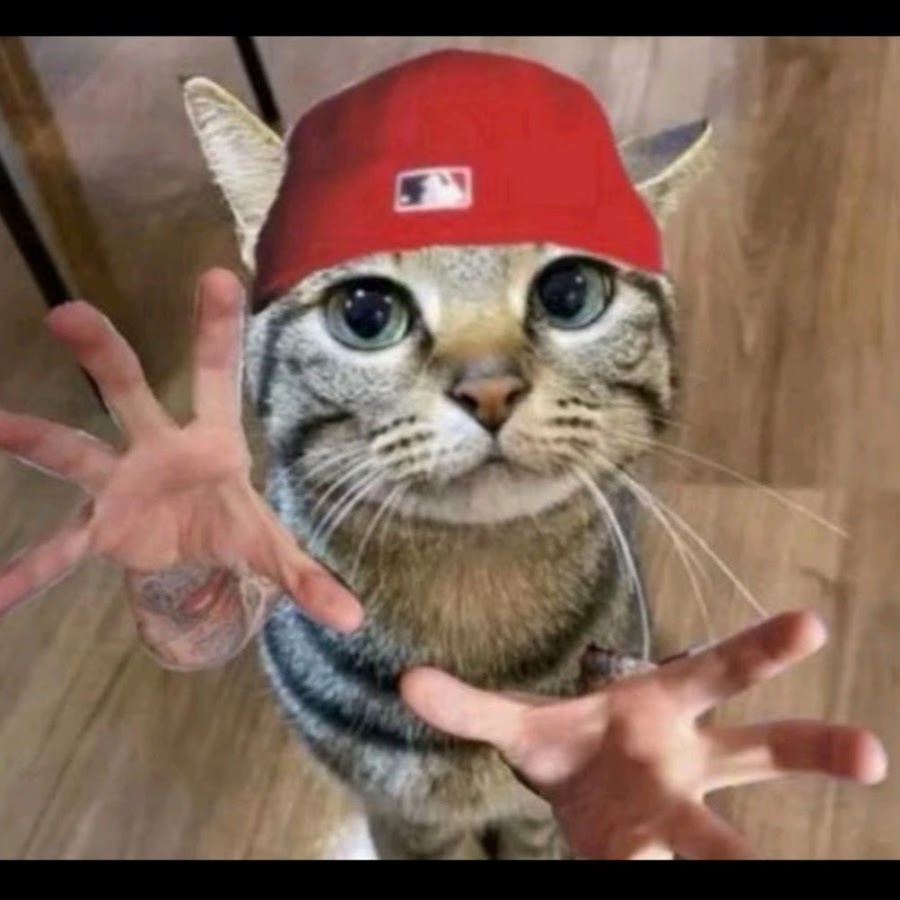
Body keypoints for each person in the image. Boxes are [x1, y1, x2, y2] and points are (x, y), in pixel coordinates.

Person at [0, 270, 887, 860]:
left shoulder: (599, 516)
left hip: (576, 768)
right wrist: (176, 575)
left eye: (567, 294)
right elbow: (202, 640)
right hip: (401, 788)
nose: (486, 386)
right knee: (415, 837)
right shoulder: (284, 525)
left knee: (540, 830)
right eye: (368, 310)